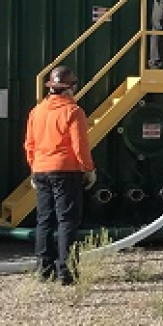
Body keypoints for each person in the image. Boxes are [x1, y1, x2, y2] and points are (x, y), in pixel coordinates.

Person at [24, 66, 97, 285]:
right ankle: (66, 272)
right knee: (67, 220)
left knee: (44, 220)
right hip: (66, 170)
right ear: (70, 88)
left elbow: (29, 145)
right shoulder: (73, 112)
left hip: (41, 169)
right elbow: (80, 146)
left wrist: (34, 169)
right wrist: (88, 169)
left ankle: (43, 269)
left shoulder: (36, 112)